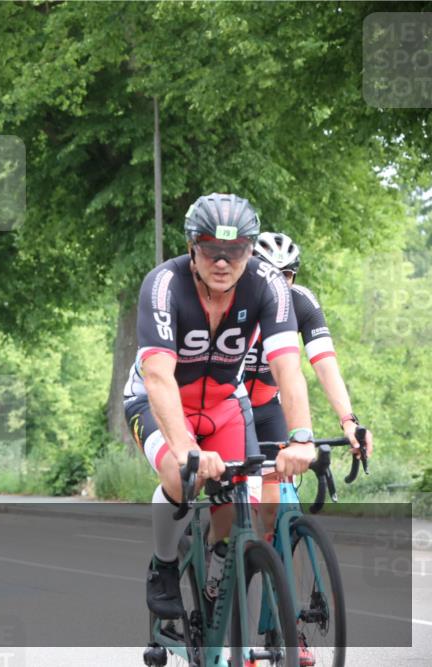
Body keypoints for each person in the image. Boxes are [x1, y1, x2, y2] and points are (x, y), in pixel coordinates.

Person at [123, 193, 317, 620]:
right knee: (182, 477)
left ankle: (216, 576)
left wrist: (301, 437)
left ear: (250, 249)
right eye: (212, 249)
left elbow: (288, 368)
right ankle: (164, 565)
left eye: (237, 250)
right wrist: (185, 449)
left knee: (234, 502)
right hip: (159, 401)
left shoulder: (268, 284)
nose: (223, 262)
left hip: (225, 404)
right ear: (192, 246)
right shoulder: (164, 284)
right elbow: (158, 377)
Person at [246, 232, 374, 537]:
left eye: (286, 275)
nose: (278, 283)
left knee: (272, 506)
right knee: (242, 503)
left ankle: (267, 562)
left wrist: (348, 421)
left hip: (268, 408)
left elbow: (325, 365)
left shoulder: (302, 303)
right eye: (270, 273)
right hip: (229, 408)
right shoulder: (235, 301)